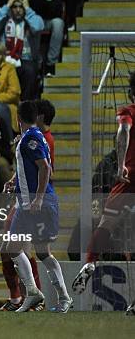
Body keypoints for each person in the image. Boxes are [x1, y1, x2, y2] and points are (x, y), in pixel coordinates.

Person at [72, 72, 135, 306]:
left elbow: (123, 131)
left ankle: (90, 261)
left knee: (105, 224)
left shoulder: (128, 110)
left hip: (128, 175)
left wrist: (120, 166)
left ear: (131, 92)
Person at [5, 100, 72, 313]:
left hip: (37, 204)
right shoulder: (33, 137)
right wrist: (15, 180)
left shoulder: (30, 139)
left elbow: (45, 169)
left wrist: (39, 198)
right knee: (16, 248)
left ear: (18, 118)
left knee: (39, 252)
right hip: (27, 204)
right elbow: (33, 167)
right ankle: (36, 293)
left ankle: (59, 297)